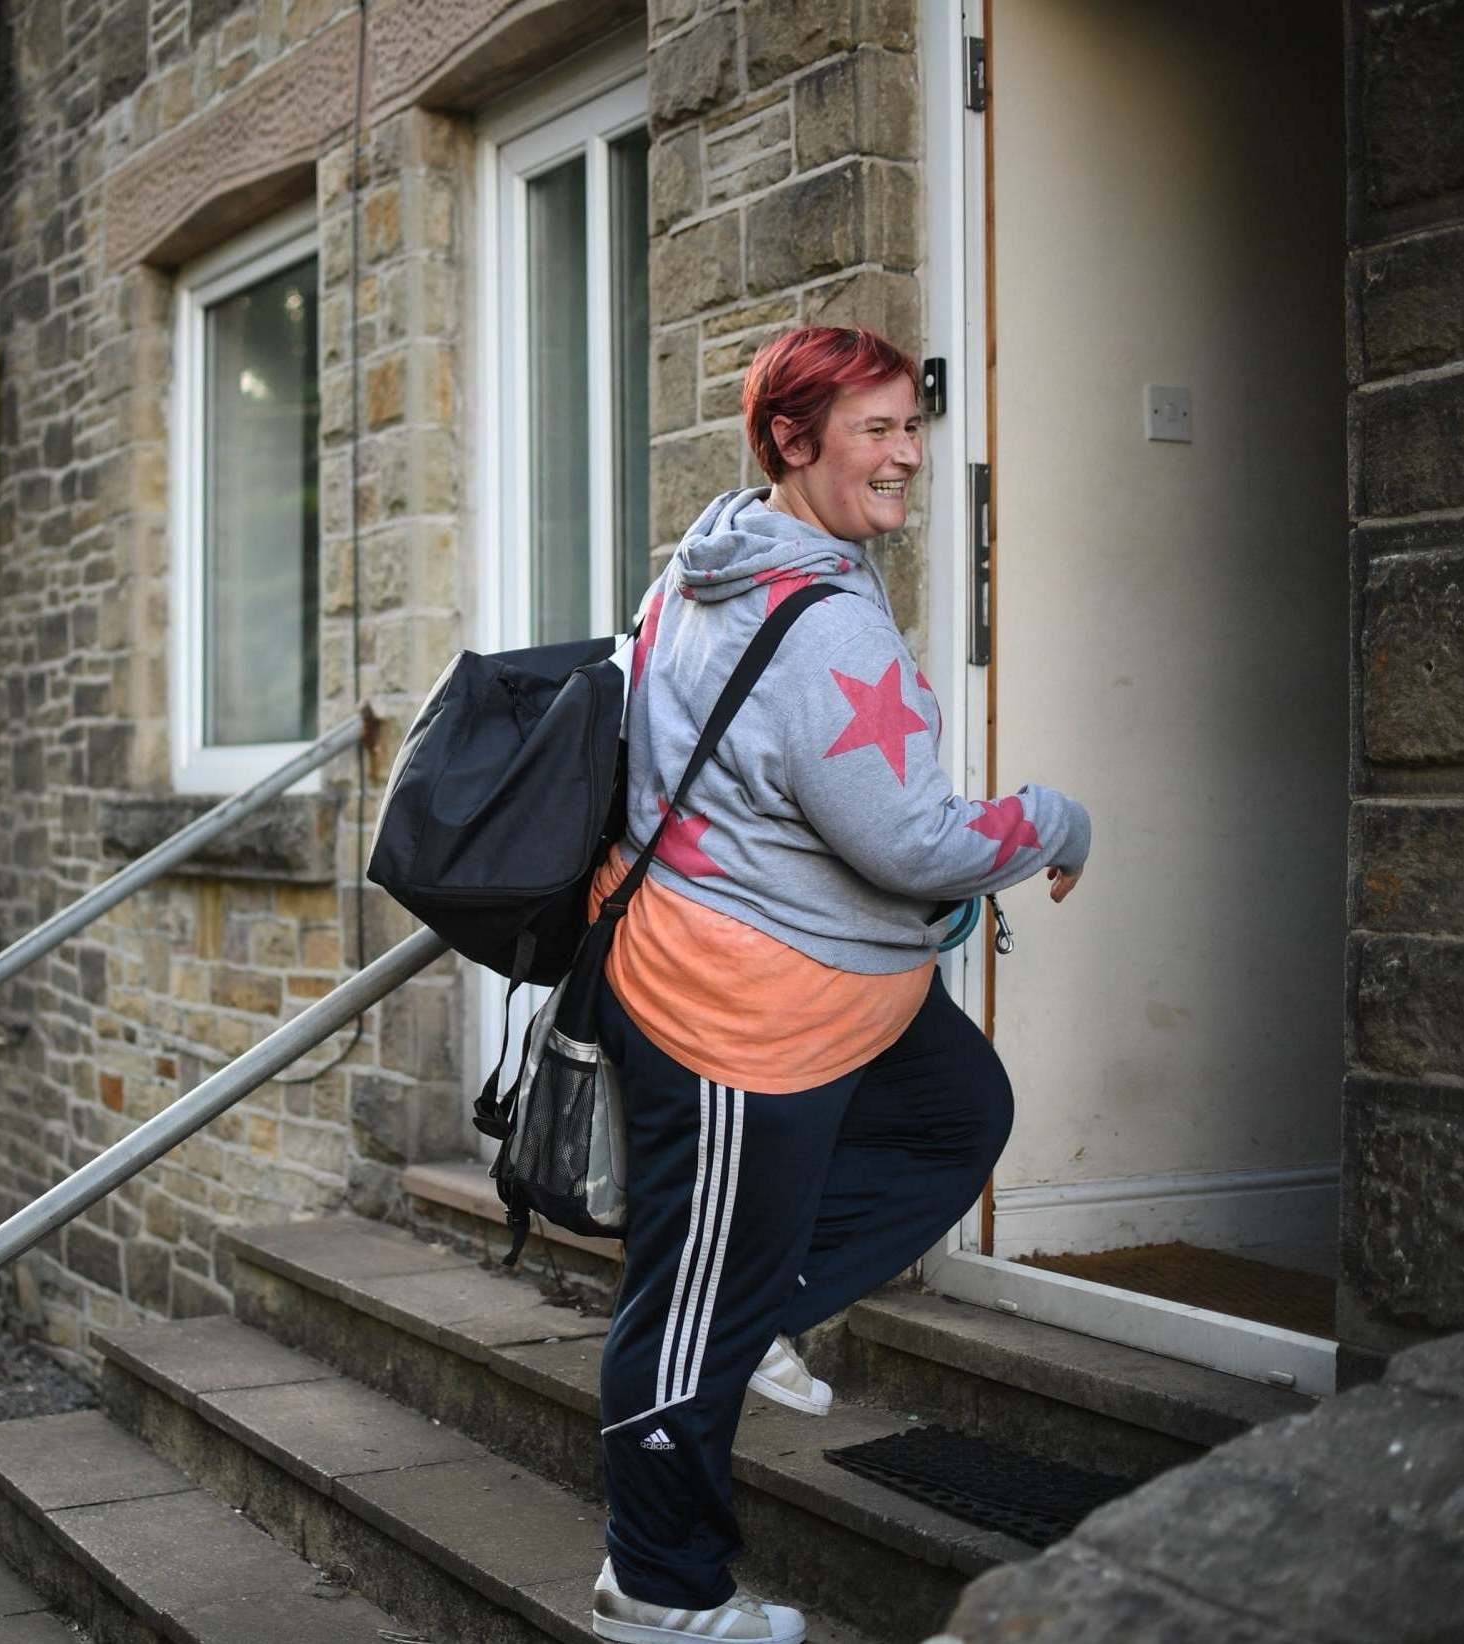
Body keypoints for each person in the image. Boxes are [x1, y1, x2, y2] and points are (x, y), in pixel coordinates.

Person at [586, 326, 1092, 1644]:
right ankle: (660, 1589)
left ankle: (753, 1314)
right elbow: (908, 839)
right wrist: (1049, 819)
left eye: (908, 426)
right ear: (791, 443)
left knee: (950, 1112)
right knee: (684, 1314)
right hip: (741, 1015)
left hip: (801, 981)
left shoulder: (707, 564)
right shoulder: (814, 615)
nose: (908, 454)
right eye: (875, 429)